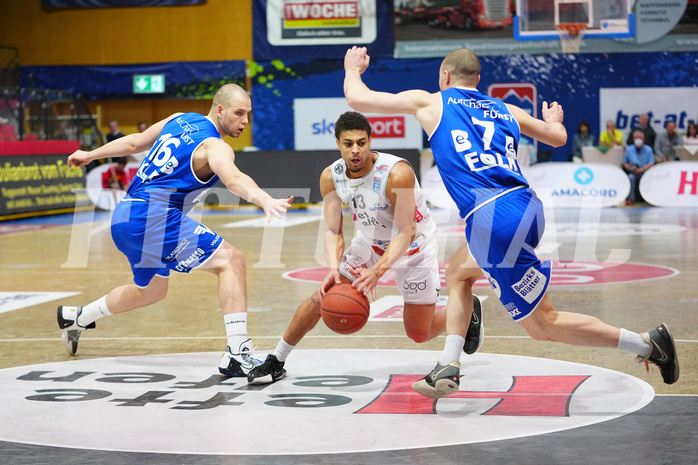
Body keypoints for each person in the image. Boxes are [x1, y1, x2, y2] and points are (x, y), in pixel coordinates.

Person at [342, 46, 679, 398]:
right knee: (458, 269)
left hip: (492, 219)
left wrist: (353, 68)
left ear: (444, 77)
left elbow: (358, 97)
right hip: (526, 206)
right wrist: (553, 120)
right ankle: (449, 365)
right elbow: (559, 138)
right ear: (478, 80)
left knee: (543, 325)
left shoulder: (432, 102)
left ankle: (647, 345)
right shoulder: (506, 109)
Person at [57, 83, 294, 377]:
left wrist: (92, 154)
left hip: (124, 217)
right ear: (220, 110)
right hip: (151, 217)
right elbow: (233, 179)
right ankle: (238, 352)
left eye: (248, 114)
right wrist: (264, 199)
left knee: (152, 291)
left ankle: (77, 318)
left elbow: (134, 144)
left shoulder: (179, 118)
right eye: (238, 113)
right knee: (232, 261)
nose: (244, 121)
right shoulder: (214, 146)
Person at [246, 111, 483, 385]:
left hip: (414, 246)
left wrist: (377, 271)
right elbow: (333, 230)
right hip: (369, 240)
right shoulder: (331, 177)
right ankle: (277, 360)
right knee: (321, 296)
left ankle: (469, 310)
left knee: (419, 332)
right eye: (348, 144)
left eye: (361, 142)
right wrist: (333, 268)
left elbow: (407, 231)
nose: (355, 150)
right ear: (338, 144)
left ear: (371, 141)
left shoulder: (397, 173)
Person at [622, 130, 654, 205]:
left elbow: (651, 163)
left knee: (649, 177)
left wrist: (642, 170)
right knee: (630, 178)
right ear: (633, 139)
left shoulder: (648, 149)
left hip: (644, 171)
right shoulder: (629, 149)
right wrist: (631, 168)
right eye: (636, 138)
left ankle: (649, 199)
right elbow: (624, 163)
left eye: (640, 138)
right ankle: (631, 199)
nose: (638, 139)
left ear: (643, 139)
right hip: (633, 171)